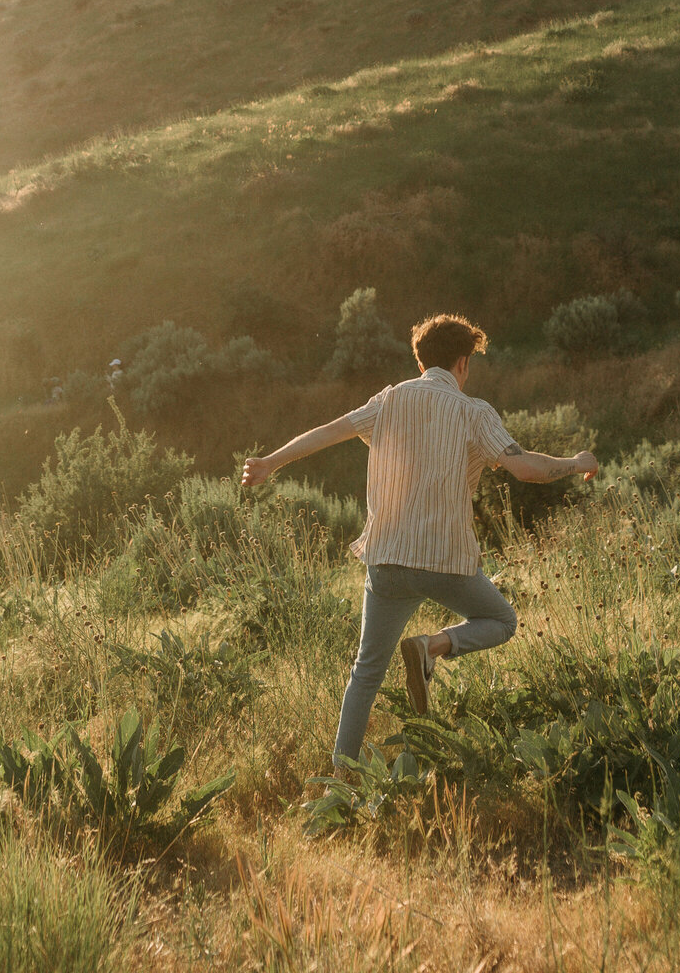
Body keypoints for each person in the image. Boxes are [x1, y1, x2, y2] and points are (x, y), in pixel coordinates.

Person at [242, 312, 598, 765]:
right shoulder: (473, 411)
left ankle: (340, 774)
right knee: (502, 621)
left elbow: (329, 432)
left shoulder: (388, 401)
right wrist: (576, 460)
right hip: (443, 561)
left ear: (420, 361)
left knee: (366, 671)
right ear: (464, 364)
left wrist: (271, 461)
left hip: (386, 560)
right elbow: (527, 468)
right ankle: (433, 646)